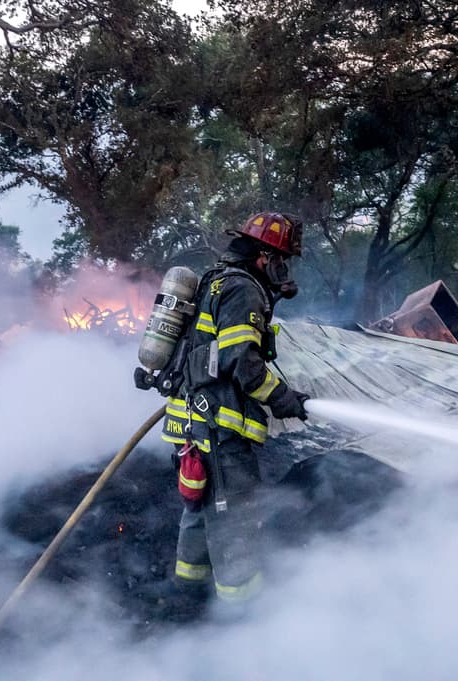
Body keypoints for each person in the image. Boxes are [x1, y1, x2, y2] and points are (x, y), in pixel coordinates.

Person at [159, 211, 311, 606]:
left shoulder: (215, 280)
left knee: (200, 506)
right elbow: (242, 362)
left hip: (192, 422)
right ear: (264, 256)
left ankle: (189, 588)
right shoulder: (243, 290)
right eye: (281, 260)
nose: (283, 270)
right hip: (218, 429)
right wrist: (284, 399)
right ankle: (241, 603)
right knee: (235, 516)